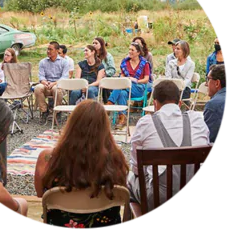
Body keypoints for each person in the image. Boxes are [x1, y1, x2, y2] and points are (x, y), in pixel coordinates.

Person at [34, 100, 129, 231]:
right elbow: (122, 192)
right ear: (104, 128)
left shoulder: (47, 158)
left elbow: (40, 194)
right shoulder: (116, 159)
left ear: (72, 125)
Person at [128, 80, 210, 214]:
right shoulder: (197, 120)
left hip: (157, 201)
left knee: (131, 180)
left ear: (155, 104)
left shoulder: (145, 123)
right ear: (179, 103)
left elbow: (136, 167)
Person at [106, 42, 151, 127]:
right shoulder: (125, 62)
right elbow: (122, 77)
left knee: (122, 85)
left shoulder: (145, 63)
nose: (130, 51)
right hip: (125, 87)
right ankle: (122, 118)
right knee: (122, 93)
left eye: (132, 50)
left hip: (138, 88)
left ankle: (109, 105)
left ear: (138, 52)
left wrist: (136, 80)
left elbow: (146, 79)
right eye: (129, 49)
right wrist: (126, 80)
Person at [34, 42, 69, 124]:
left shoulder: (64, 62)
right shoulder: (43, 62)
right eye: (47, 49)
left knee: (56, 89)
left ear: (57, 50)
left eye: (50, 49)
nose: (48, 51)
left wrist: (53, 83)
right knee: (37, 88)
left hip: (58, 85)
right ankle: (44, 111)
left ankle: (57, 112)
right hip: (46, 84)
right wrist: (45, 82)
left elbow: (64, 77)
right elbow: (41, 76)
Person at [204, 64, 228, 143]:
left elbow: (208, 139)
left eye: (208, 79)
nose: (206, 84)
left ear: (217, 83)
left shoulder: (213, 105)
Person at [92, 37, 116, 103]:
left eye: (96, 43)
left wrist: (104, 73)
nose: (94, 45)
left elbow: (112, 70)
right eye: (93, 43)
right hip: (93, 77)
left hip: (105, 78)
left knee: (104, 82)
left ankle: (107, 103)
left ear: (101, 45)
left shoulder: (108, 56)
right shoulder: (91, 55)